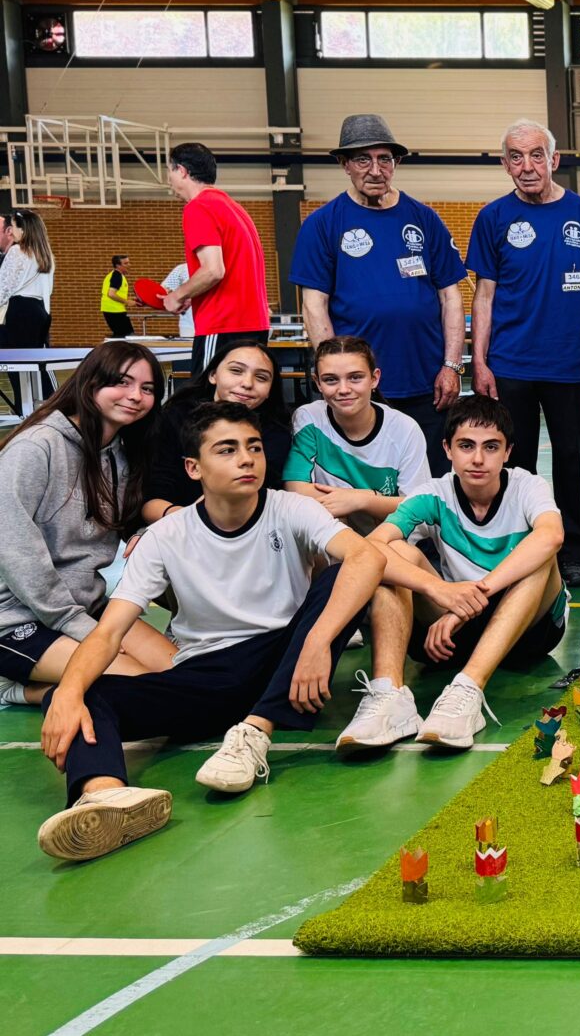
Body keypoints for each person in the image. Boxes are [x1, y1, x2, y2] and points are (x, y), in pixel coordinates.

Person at [35, 402, 387, 861]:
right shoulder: (167, 535)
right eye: (227, 450)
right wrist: (68, 692)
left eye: (254, 448)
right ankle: (106, 797)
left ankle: (256, 732)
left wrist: (318, 642)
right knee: (85, 695)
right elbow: (109, 632)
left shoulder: (291, 508)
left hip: (287, 656)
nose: (246, 459)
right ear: (193, 468)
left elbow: (368, 559)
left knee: (341, 575)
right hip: (208, 676)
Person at [346, 395, 566, 752]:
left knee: (541, 555)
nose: (478, 458)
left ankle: (468, 689)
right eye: (466, 446)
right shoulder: (434, 494)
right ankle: (389, 696)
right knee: (395, 553)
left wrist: (474, 595)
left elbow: (552, 535)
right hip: (449, 633)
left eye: (491, 447)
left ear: (508, 452)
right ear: (448, 449)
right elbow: (372, 546)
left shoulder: (528, 486)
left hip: (528, 632)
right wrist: (438, 590)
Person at [468, 119, 580, 590]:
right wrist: (480, 361)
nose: (527, 166)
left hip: (573, 365)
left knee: (573, 462)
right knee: (513, 464)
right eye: (516, 156)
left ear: (554, 160)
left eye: (536, 155)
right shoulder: (492, 218)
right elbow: (484, 296)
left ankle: (573, 552)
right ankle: (519, 547)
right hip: (510, 365)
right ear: (505, 163)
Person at [0, 342, 175, 711]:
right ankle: (13, 688)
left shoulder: (120, 455)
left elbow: (122, 521)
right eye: (123, 383)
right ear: (91, 383)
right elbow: (16, 551)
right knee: (145, 689)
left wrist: (144, 534)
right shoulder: (36, 448)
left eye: (147, 389)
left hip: (86, 604)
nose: (135, 396)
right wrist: (84, 630)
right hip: (17, 616)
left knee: (179, 674)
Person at [293, 115, 467, 472]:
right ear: (344, 165)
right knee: (366, 485)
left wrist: (452, 366)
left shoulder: (424, 219)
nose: (375, 170)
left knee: (430, 484)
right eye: (362, 159)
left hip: (426, 385)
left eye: (384, 158)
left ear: (396, 162)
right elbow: (314, 306)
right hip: (360, 392)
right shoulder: (322, 225)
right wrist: (337, 375)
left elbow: (451, 298)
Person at [283, 336, 430, 534]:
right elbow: (296, 489)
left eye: (355, 377)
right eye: (331, 380)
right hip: (332, 536)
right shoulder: (309, 418)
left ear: (374, 378)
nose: (343, 389)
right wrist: (359, 503)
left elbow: (418, 507)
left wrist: (363, 499)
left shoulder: (405, 429)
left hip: (390, 539)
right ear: (317, 383)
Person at [141, 340, 293, 524]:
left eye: (261, 377)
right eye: (236, 371)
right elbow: (154, 496)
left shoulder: (277, 433)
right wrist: (192, 520)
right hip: (177, 521)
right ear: (213, 375)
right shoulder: (177, 416)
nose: (247, 383)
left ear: (270, 390)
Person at [162, 143, 269, 371]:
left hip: (223, 324)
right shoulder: (233, 207)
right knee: (242, 402)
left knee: (207, 401)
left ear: (181, 171)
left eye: (169, 171)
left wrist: (177, 295)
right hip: (254, 324)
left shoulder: (198, 207)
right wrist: (194, 293)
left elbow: (213, 270)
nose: (169, 178)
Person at [0, 209, 56, 412]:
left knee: (16, 366)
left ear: (23, 229)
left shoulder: (17, 251)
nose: (11, 231)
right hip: (40, 311)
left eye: (13, 226)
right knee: (37, 364)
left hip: (20, 310)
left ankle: (23, 408)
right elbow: (47, 289)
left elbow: (4, 287)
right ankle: (47, 405)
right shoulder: (45, 253)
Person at [100, 254, 133, 338]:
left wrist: (131, 299)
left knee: (123, 335)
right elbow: (111, 294)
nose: (129, 265)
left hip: (114, 310)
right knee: (126, 336)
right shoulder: (117, 276)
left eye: (129, 262)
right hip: (114, 311)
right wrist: (127, 302)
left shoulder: (115, 275)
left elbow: (116, 293)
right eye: (126, 263)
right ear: (118, 265)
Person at [161, 261, 194, 339]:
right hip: (188, 324)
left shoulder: (216, 268)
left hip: (214, 324)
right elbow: (163, 291)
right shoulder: (182, 269)